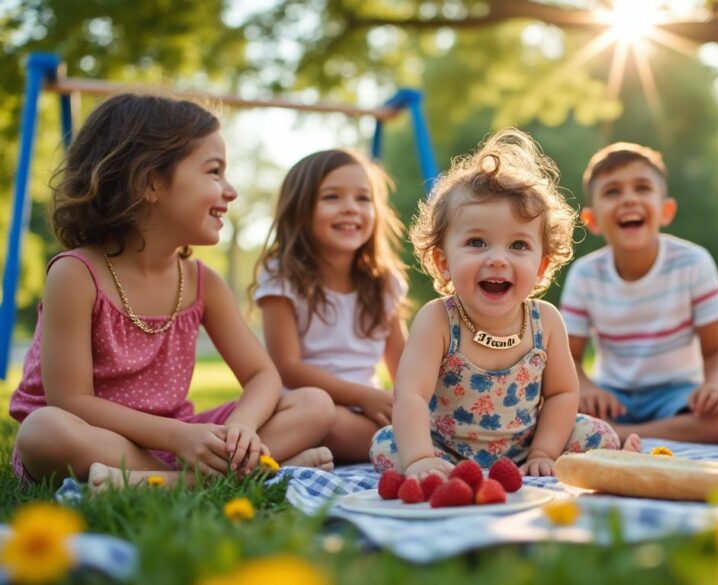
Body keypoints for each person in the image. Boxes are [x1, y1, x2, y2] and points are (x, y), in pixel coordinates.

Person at [8, 93, 335, 487]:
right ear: (150, 183)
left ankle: (160, 480)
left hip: (181, 438)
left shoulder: (202, 282)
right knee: (43, 431)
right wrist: (178, 437)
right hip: (99, 438)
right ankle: (208, 478)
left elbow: (263, 374)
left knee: (313, 404)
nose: (230, 190)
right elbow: (72, 402)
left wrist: (241, 429)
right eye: (214, 172)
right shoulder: (76, 274)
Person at [370, 128, 639, 478]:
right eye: (477, 242)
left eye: (518, 246)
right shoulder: (438, 320)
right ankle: (437, 466)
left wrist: (544, 451)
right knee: (387, 445)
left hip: (527, 447)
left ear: (542, 266)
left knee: (598, 432)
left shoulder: (546, 322)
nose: (498, 259)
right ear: (443, 262)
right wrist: (420, 458)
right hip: (446, 449)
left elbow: (561, 394)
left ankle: (615, 457)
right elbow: (410, 395)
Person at [559, 142, 718, 444]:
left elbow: (717, 351)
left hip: (677, 393)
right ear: (593, 221)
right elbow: (569, 358)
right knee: (554, 408)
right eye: (612, 192)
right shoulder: (584, 274)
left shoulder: (693, 262)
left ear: (666, 211)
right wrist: (588, 389)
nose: (629, 199)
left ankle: (622, 435)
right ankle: (640, 430)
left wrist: (714, 387)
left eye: (642, 188)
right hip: (613, 397)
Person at [253, 149, 408, 463]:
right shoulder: (283, 278)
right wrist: (362, 396)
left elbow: (405, 364)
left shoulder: (384, 284)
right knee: (329, 419)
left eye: (363, 199)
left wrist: (414, 404)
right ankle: (277, 453)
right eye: (332, 197)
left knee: (427, 427)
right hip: (308, 406)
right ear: (300, 209)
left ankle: (292, 458)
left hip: (367, 410)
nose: (350, 209)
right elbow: (287, 367)